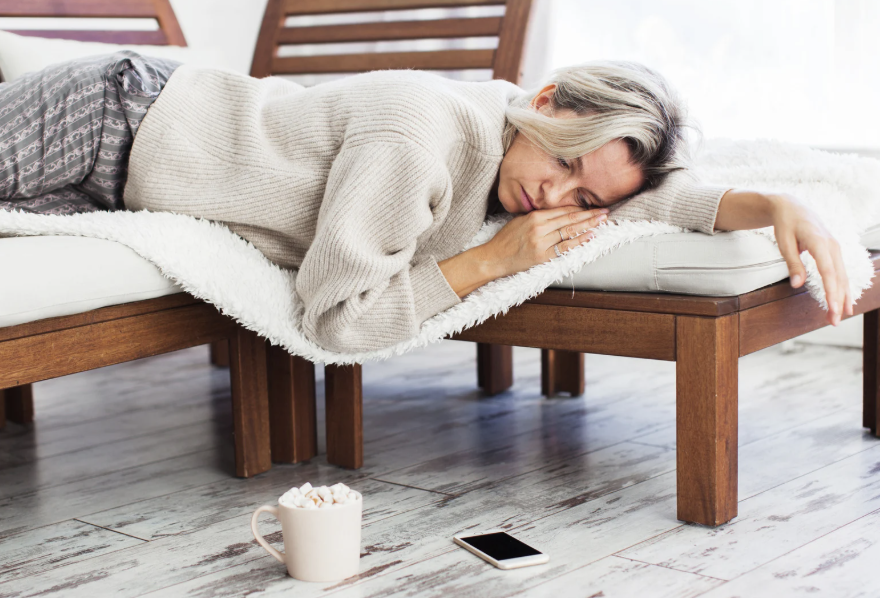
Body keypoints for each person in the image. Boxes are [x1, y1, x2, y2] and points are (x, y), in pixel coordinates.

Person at [0, 51, 852, 353]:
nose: (550, 200)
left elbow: (656, 205)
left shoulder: (526, 157)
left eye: (582, 195)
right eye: (563, 165)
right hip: (114, 116)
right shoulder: (423, 134)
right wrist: (489, 262)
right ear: (546, 100)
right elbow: (338, 318)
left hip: (124, 174)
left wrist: (782, 205)